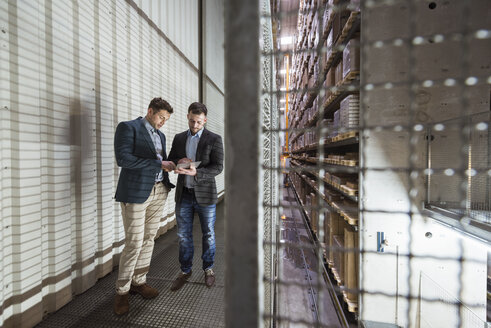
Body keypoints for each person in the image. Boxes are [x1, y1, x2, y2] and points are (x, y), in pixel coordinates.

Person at [113, 97, 176, 315]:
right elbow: (123, 159)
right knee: (134, 242)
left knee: (149, 238)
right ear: (150, 111)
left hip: (159, 190)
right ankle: (122, 292)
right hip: (135, 192)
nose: (163, 122)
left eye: (166, 119)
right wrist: (159, 163)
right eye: (161, 117)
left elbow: (161, 161)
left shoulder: (161, 136)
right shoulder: (128, 128)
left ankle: (139, 282)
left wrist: (175, 165)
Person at [168, 102, 224, 291]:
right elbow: (172, 158)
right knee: (184, 235)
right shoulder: (179, 138)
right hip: (184, 194)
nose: (194, 125)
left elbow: (218, 166)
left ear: (205, 120)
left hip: (205, 195)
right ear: (187, 117)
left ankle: (208, 269)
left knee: (208, 233)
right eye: (192, 121)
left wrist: (197, 173)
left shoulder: (214, 139)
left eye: (199, 122)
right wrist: (179, 163)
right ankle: (185, 270)